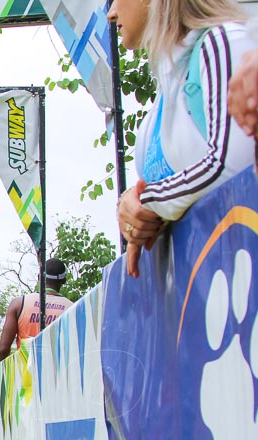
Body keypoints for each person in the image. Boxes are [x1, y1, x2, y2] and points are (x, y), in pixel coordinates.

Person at [108, 0, 256, 278]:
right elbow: (176, 187)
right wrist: (132, 212)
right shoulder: (169, 85)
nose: (111, 13)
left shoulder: (221, 42)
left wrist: (148, 201)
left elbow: (233, 165)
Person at [0, 258, 73, 364]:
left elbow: (3, 350)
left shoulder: (19, 304)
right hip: (57, 376)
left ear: (39, 277)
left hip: (25, 376)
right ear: (64, 281)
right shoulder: (72, 308)